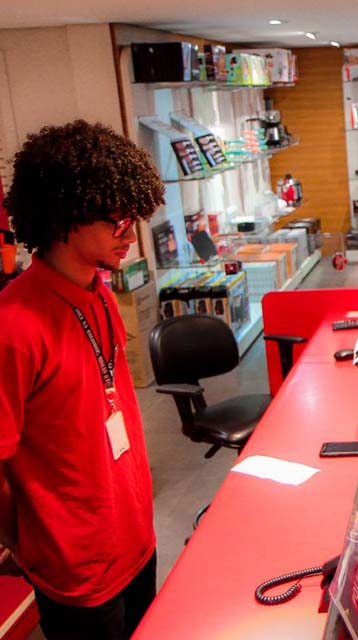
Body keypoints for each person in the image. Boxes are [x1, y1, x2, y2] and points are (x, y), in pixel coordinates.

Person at [0, 120, 165, 639]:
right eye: (119, 223)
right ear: (65, 216)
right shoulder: (14, 326)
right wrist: (27, 543)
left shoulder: (96, 290)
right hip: (76, 571)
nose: (132, 237)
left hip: (136, 538)